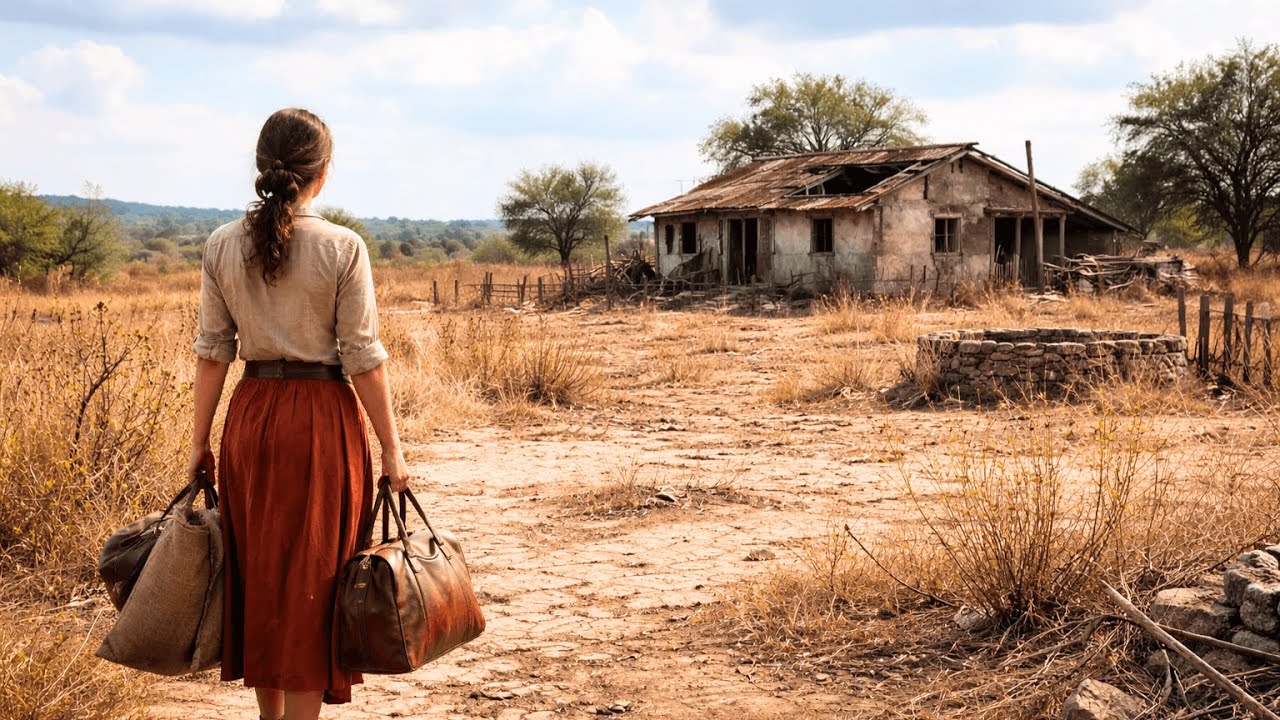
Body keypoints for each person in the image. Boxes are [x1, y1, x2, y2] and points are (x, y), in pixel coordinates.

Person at [188, 107, 411, 720]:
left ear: (262, 167)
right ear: (324, 172)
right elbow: (363, 358)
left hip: (251, 418)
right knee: (317, 574)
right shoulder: (344, 247)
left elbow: (214, 354)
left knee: (258, 570)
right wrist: (393, 451)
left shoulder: (219, 244)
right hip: (322, 420)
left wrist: (198, 443)